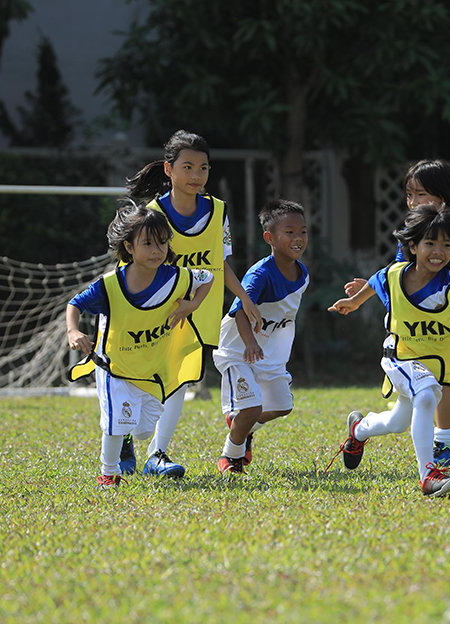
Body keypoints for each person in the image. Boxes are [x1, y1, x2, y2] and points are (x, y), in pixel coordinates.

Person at [124, 129, 261, 478]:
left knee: (181, 380)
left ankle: (156, 454)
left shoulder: (218, 211)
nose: (196, 175)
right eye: (187, 167)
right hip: (159, 309)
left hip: (200, 310)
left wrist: (244, 299)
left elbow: (221, 263)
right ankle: (127, 433)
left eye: (203, 168)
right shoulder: (152, 215)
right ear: (169, 169)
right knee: (148, 382)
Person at [328, 204, 450, 497]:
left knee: (398, 421)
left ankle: (358, 431)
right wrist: (354, 303)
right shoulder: (395, 274)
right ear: (412, 246)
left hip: (432, 363)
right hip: (400, 354)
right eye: (430, 243)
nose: (438, 251)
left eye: (446, 245)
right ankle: (428, 475)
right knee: (427, 397)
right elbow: (378, 282)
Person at [344, 159, 450, 465]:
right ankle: (446, 449)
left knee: (438, 391)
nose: (413, 201)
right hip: (410, 335)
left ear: (442, 198)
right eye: (410, 194)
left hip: (446, 325)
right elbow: (393, 273)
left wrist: (440, 280)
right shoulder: (414, 230)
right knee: (434, 391)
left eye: (421, 195)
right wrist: (363, 293)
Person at [66, 202, 213, 488]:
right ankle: (109, 475)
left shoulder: (176, 277)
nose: (157, 250)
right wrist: (73, 331)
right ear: (129, 247)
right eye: (147, 243)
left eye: (162, 242)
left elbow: (207, 277)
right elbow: (75, 304)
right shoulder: (110, 285)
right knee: (115, 424)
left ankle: (127, 437)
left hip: (151, 370)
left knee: (144, 430)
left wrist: (191, 304)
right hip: (114, 367)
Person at [213, 200, 309, 478]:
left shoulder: (303, 275)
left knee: (282, 406)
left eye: (302, 232)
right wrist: (251, 343)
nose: (298, 238)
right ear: (269, 238)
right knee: (252, 406)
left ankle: (241, 426)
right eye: (289, 232)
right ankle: (230, 455)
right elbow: (240, 312)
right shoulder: (259, 274)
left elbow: (283, 317)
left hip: (268, 355)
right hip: (238, 351)